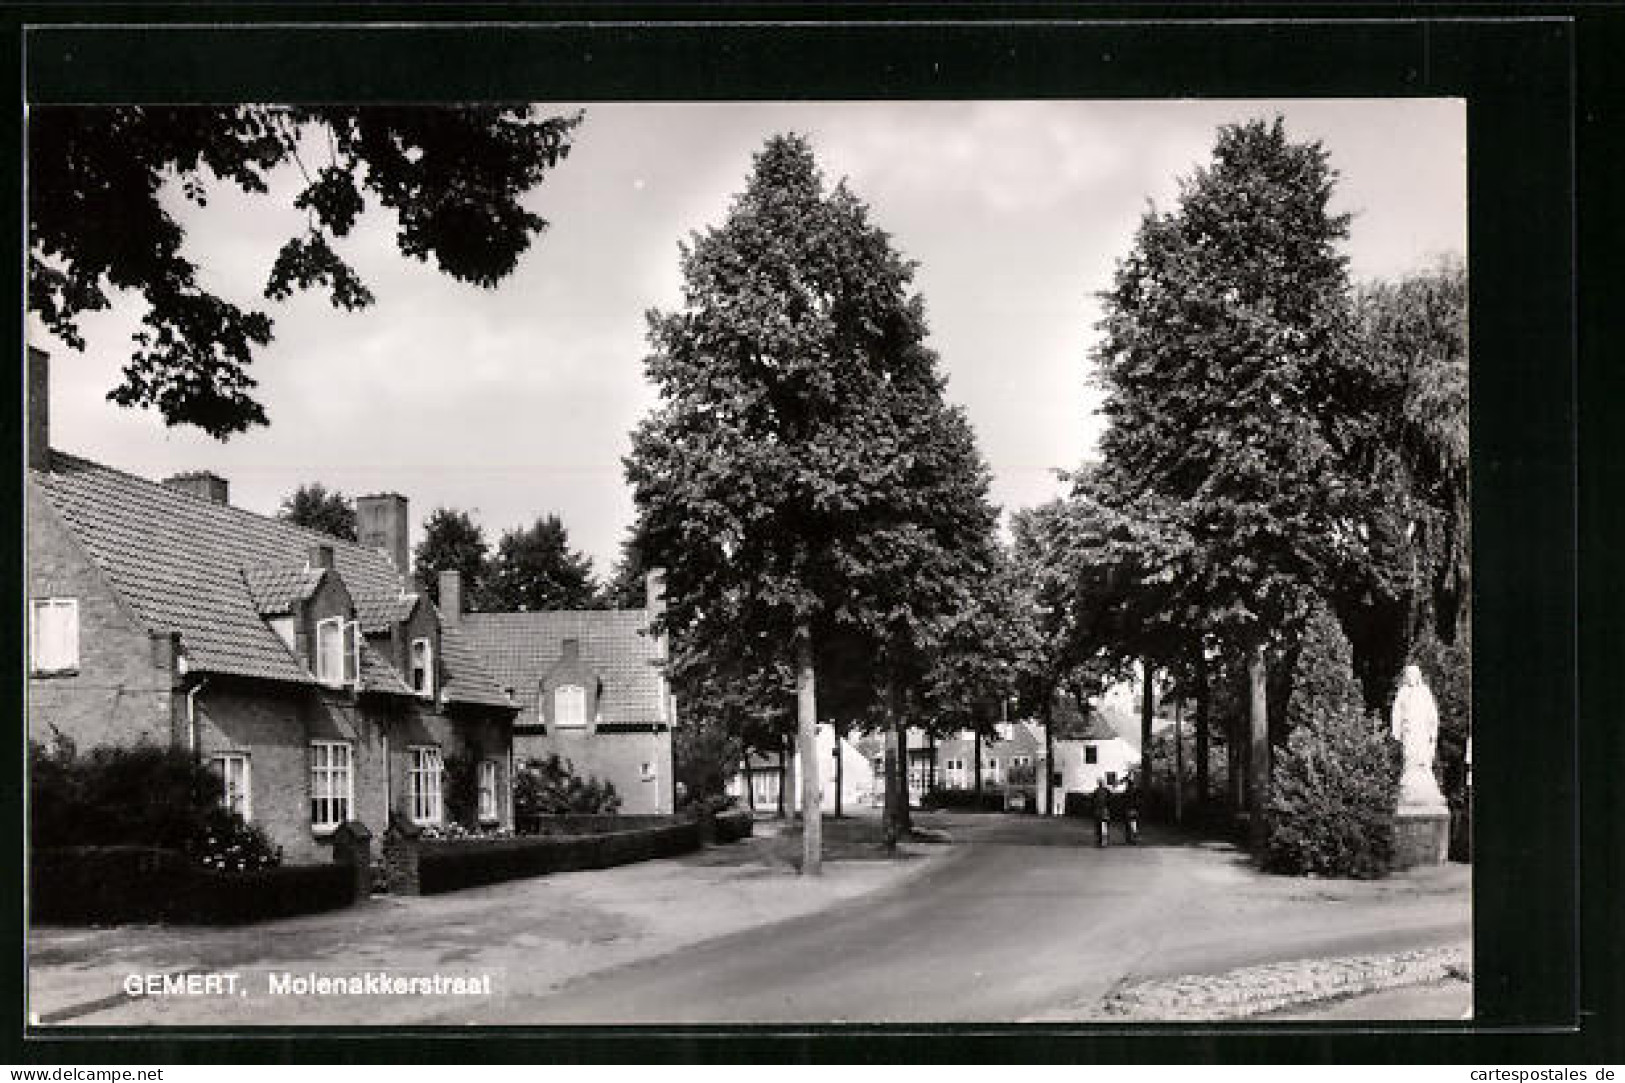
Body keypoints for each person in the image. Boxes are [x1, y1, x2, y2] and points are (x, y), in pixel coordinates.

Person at [1092, 779, 1112, 847]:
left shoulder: (1096, 791)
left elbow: (1093, 800)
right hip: (1105, 810)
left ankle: (1099, 840)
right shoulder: (1106, 790)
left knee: (1098, 825)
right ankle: (1105, 840)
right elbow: (1110, 799)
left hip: (1098, 810)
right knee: (1105, 825)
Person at [1120, 775, 1140, 845]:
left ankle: (1128, 840)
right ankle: (1135, 839)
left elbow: (1123, 800)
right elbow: (1138, 801)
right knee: (1134, 824)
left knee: (1128, 825)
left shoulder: (1127, 791)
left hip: (1128, 809)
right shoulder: (1136, 791)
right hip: (1134, 810)